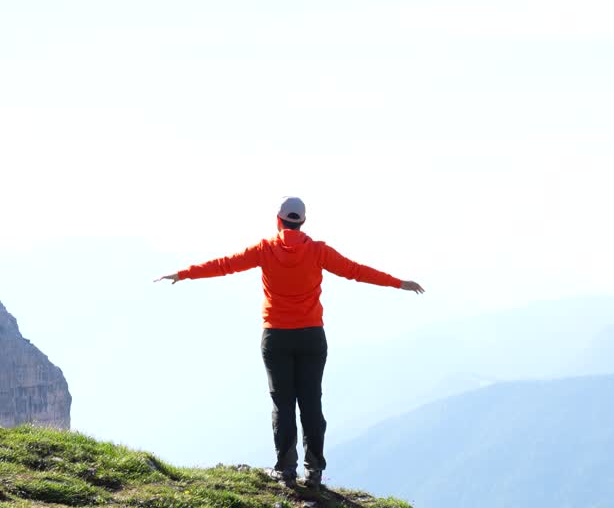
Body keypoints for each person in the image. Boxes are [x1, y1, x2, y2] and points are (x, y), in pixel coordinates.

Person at [156, 196, 425, 489]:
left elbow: (224, 265)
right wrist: (399, 283)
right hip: (312, 336)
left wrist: (184, 274)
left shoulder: (264, 250)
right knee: (311, 402)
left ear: (278, 220)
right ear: (303, 222)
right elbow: (356, 271)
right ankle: (314, 471)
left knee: (282, 404)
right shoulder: (319, 251)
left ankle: (286, 470)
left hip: (276, 336)